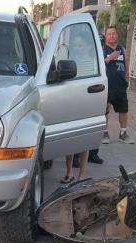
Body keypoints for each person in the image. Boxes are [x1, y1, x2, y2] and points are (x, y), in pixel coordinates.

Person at [62, 33, 94, 182]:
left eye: (80, 45)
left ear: (88, 46)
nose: (77, 48)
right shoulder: (69, 62)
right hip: (71, 104)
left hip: (86, 104)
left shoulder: (93, 63)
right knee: (69, 140)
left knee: (84, 142)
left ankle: (82, 175)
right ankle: (69, 173)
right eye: (75, 45)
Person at [102, 26, 134, 145]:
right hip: (107, 86)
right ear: (106, 36)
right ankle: (104, 132)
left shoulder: (122, 49)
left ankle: (123, 133)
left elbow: (126, 65)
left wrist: (127, 80)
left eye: (113, 33)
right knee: (105, 110)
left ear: (117, 35)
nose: (112, 36)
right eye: (109, 34)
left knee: (123, 110)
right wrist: (110, 58)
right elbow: (99, 64)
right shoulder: (102, 49)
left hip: (120, 86)